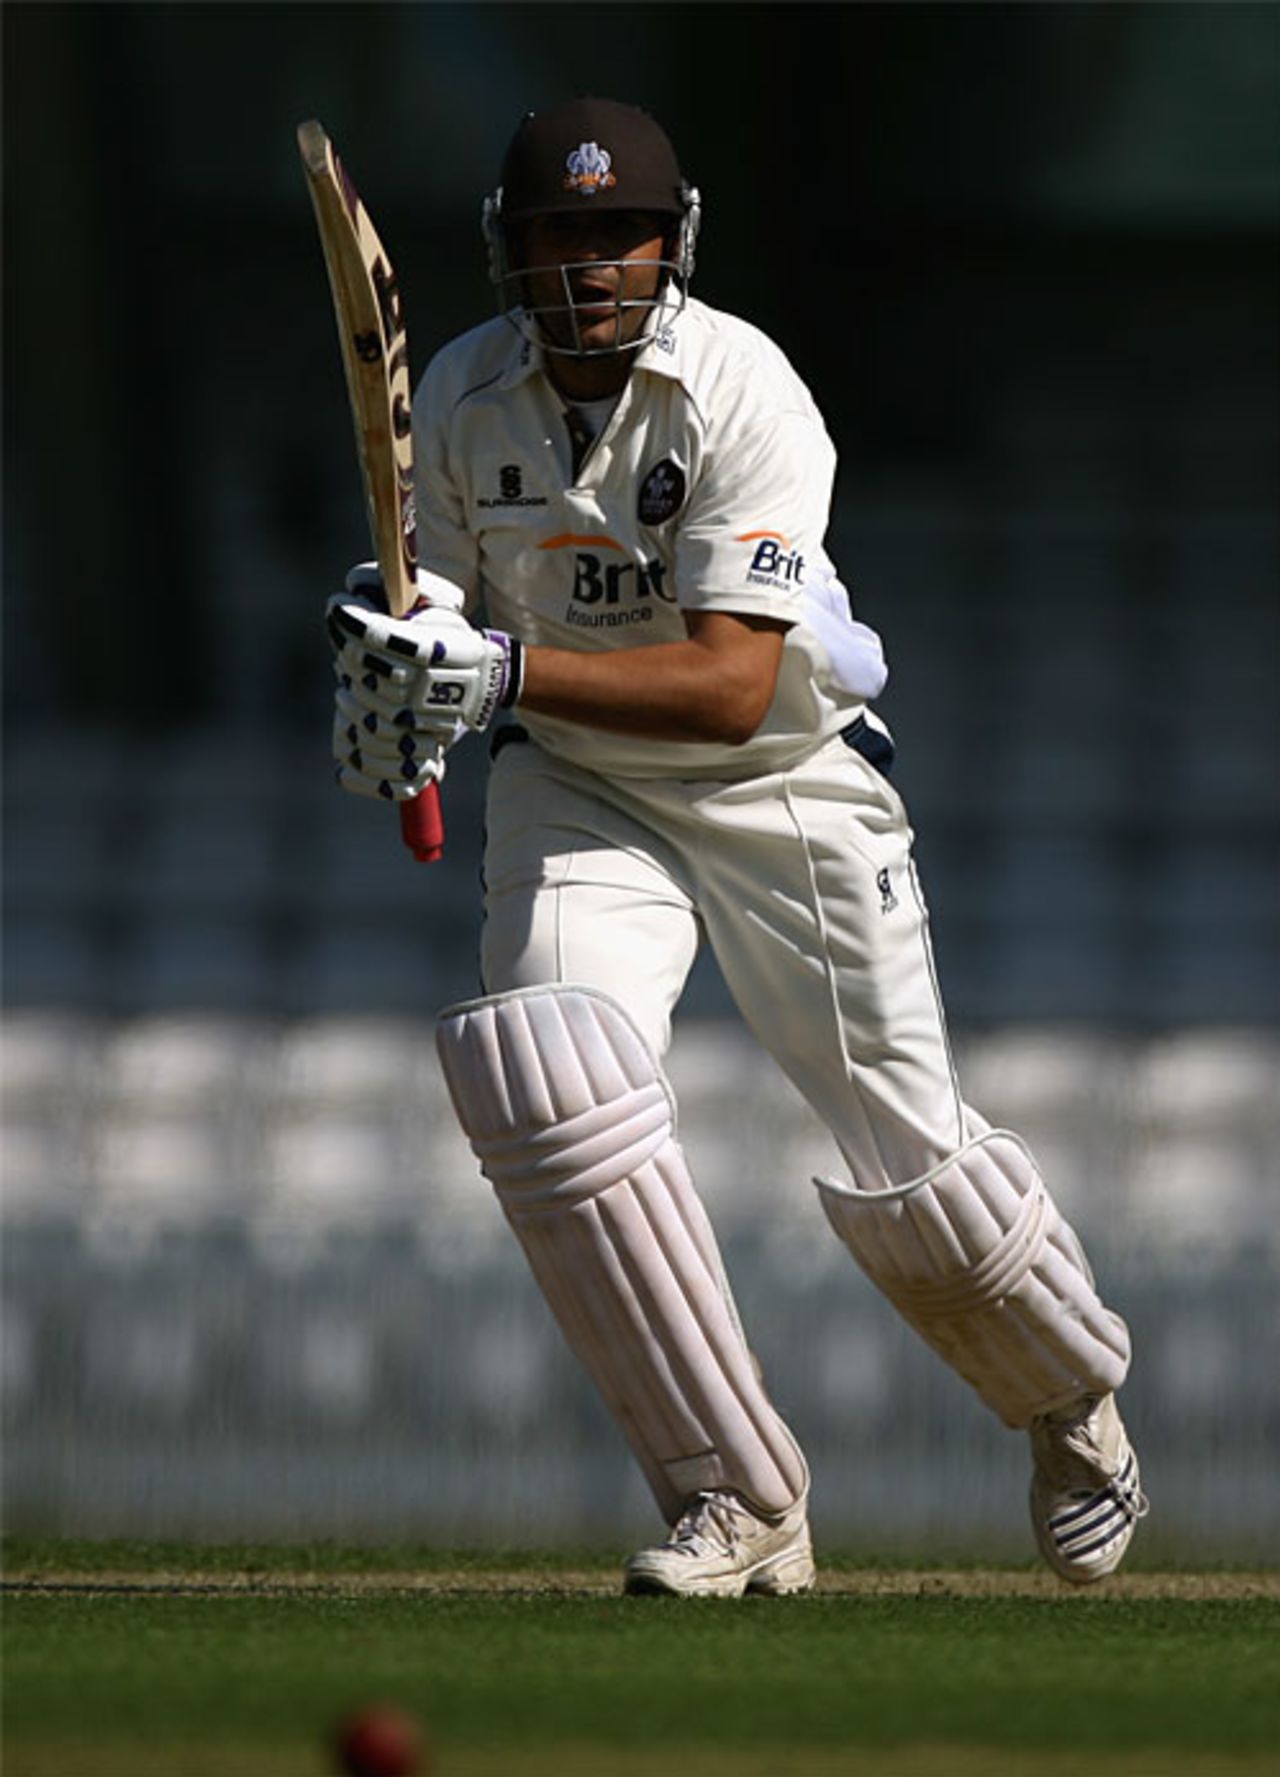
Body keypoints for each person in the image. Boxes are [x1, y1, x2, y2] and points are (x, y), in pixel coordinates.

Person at [327, 97, 1147, 1595]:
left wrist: (493, 675)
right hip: (580, 786)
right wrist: (403, 685)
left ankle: (1068, 1395)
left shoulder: (743, 387)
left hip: (783, 780)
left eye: (617, 234)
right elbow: (434, 600)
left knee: (912, 1162)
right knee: (542, 1069)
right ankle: (736, 1491)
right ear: (513, 248)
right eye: (563, 235)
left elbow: (730, 684)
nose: (592, 267)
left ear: (670, 242)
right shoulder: (456, 392)